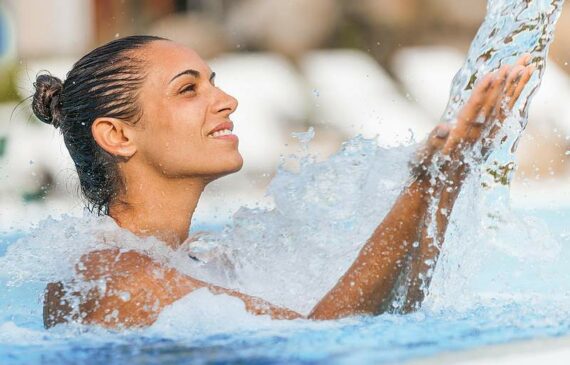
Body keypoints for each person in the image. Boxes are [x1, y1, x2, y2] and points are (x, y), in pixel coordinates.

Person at [37, 36, 534, 328]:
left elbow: (387, 312)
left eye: (214, 80)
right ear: (118, 135)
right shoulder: (107, 277)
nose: (226, 100)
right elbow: (322, 340)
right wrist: (423, 184)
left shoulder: (203, 259)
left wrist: (449, 175)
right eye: (189, 89)